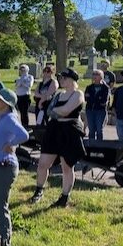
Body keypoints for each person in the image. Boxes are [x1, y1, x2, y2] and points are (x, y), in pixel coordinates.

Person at [30, 68, 86, 207]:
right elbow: (49, 111)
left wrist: (56, 111)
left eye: (64, 78)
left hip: (69, 131)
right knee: (43, 163)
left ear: (72, 79)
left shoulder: (78, 94)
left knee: (67, 166)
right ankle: (39, 190)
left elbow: (65, 110)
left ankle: (64, 197)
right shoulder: (59, 95)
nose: (61, 80)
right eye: (60, 78)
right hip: (54, 129)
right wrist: (57, 112)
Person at [0, 88, 29, 246]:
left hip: (3, 167)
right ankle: (1, 239)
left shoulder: (9, 118)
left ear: (6, 103)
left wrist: (10, 145)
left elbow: (24, 135)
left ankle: (5, 243)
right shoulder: (4, 117)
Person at [84, 69, 110, 140]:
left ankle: (99, 144)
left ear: (101, 77)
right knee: (91, 129)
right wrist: (97, 98)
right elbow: (86, 98)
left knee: (99, 129)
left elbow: (104, 101)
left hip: (100, 111)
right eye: (93, 74)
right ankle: (91, 144)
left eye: (97, 74)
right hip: (90, 110)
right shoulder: (89, 87)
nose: (94, 76)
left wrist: (93, 98)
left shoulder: (105, 88)